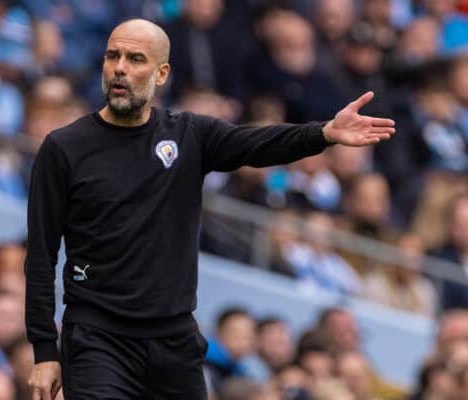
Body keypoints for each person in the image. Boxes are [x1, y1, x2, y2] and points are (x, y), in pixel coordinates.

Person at [24, 18, 395, 400]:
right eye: (112, 56)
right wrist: (44, 351)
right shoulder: (64, 148)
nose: (120, 68)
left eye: (135, 59)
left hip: (173, 341)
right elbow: (40, 255)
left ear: (161, 73)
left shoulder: (188, 134)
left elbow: (258, 143)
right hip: (97, 338)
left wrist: (323, 133)